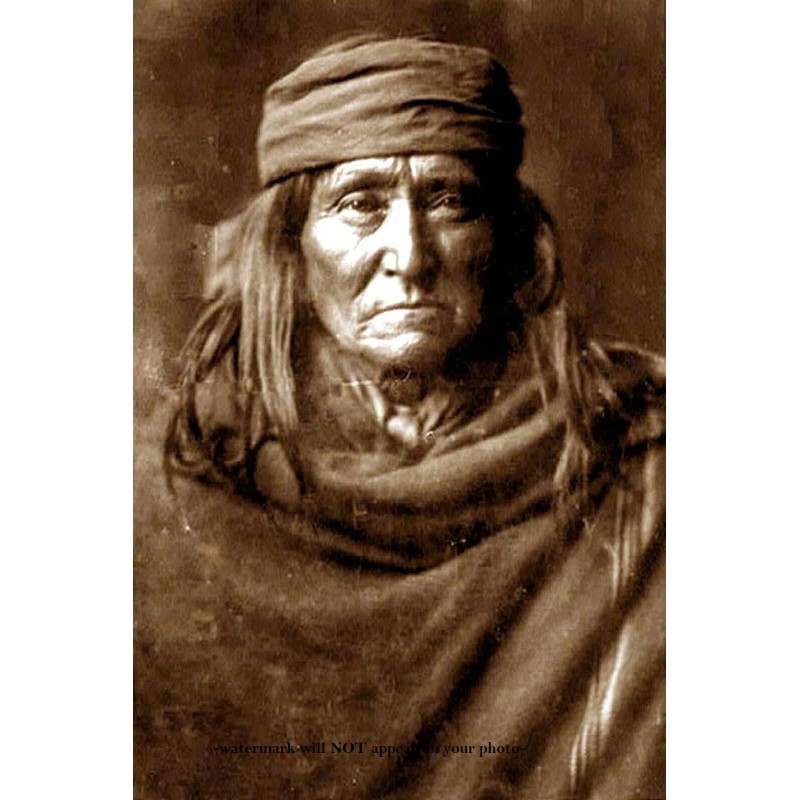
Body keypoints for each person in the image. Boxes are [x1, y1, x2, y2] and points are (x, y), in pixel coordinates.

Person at [136, 34, 665, 800]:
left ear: (504, 237)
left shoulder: (644, 462)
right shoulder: (177, 482)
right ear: (290, 245)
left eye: (450, 201)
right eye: (361, 205)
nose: (411, 256)